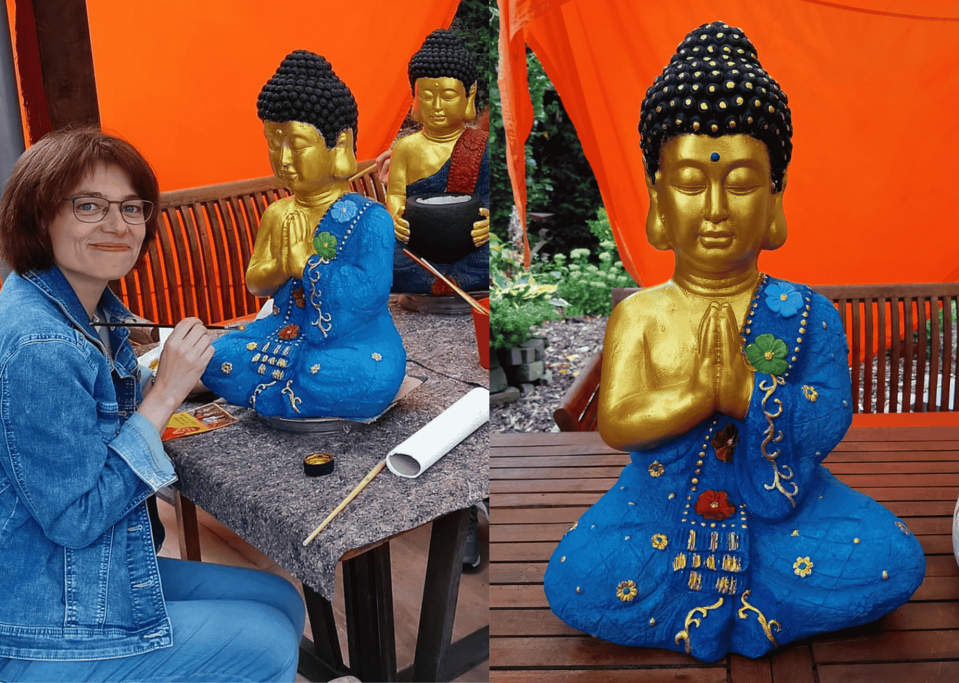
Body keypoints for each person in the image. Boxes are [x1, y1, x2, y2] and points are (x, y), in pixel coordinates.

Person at [544, 21, 925, 662]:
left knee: (892, 557)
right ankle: (754, 610)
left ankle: (742, 611)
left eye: (743, 183)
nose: (717, 207)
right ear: (658, 199)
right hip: (658, 511)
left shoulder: (807, 313)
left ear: (775, 197)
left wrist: (748, 394)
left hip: (782, 510)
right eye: (692, 183)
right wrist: (700, 395)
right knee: (576, 577)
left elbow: (831, 415)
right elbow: (617, 423)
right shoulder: (639, 314)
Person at [0, 128, 305, 681]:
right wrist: (166, 393)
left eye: (132, 207)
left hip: (53, 568)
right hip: (16, 612)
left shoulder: (77, 309)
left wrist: (172, 377)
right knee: (267, 643)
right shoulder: (38, 344)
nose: (118, 224)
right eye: (89, 206)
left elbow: (83, 417)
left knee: (281, 600)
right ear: (38, 218)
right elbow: (77, 517)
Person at [201, 50, 406, 420]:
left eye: (296, 145)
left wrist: (307, 264)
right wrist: (282, 266)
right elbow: (255, 282)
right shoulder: (278, 213)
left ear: (339, 144)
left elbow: (369, 295)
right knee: (219, 356)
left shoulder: (371, 218)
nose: (283, 159)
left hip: (352, 342)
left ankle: (276, 395)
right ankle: (288, 393)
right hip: (282, 332)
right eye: (272, 143)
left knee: (368, 375)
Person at [386, 29, 490, 294]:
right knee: (381, 252)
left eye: (448, 96)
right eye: (427, 96)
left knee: (494, 254)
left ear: (470, 94)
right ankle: (439, 282)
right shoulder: (406, 148)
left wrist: (489, 223)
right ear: (414, 95)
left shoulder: (482, 145)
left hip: (469, 243)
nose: (437, 106)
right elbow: (396, 195)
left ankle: (451, 281)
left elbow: (490, 197)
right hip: (418, 243)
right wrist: (395, 217)